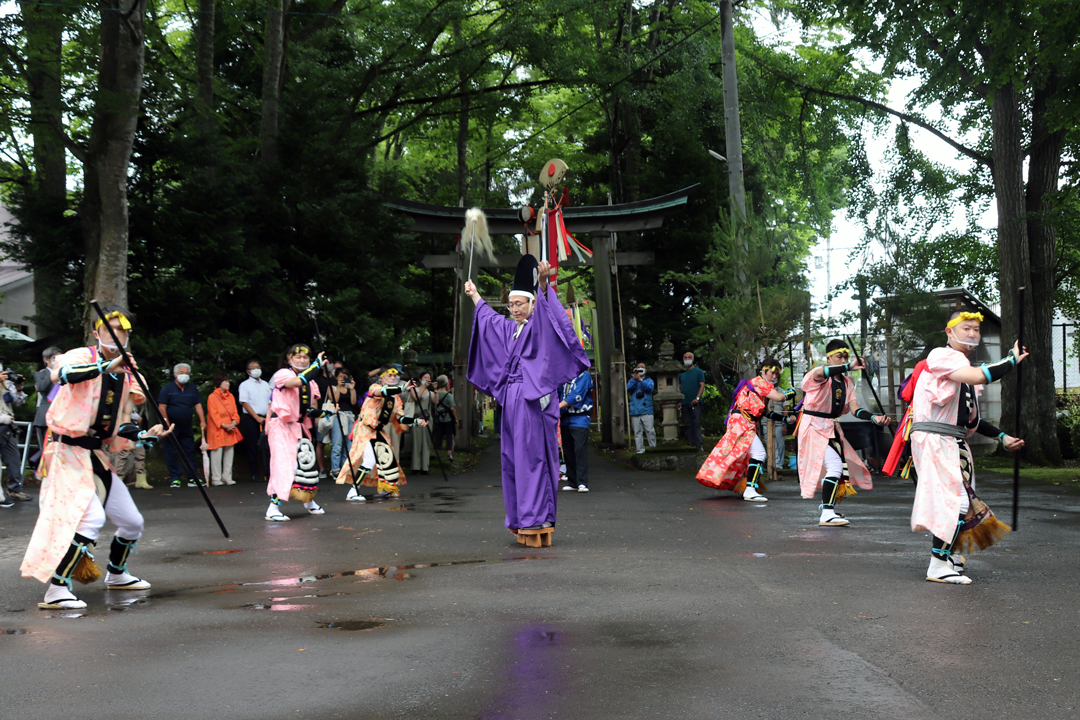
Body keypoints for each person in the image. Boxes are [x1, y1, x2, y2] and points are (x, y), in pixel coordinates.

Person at [20, 305, 174, 609]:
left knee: (132, 522)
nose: (120, 335)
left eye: (125, 330)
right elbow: (62, 375)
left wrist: (146, 435)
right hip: (65, 451)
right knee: (91, 518)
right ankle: (56, 589)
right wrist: (107, 366)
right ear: (97, 332)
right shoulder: (80, 356)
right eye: (113, 330)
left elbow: (123, 424)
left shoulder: (128, 372)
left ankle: (116, 574)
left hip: (94, 454)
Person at [465, 255, 590, 535]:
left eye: (519, 304)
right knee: (512, 458)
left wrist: (543, 284)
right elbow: (488, 319)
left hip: (533, 398)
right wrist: (474, 295)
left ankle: (539, 516)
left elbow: (553, 317)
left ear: (532, 304)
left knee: (533, 458)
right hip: (511, 400)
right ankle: (521, 516)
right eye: (511, 304)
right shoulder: (512, 329)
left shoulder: (538, 324)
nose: (514, 309)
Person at [910, 311, 1026, 584]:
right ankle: (937, 565)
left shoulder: (962, 368)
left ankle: (948, 558)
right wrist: (1011, 360)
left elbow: (970, 418)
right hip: (935, 441)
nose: (973, 333)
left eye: (976, 329)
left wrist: (1001, 437)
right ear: (950, 332)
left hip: (955, 442)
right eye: (966, 328)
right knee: (956, 502)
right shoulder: (941, 355)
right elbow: (979, 376)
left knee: (962, 503)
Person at [797, 339, 890, 527]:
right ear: (829, 359)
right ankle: (827, 513)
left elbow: (855, 409)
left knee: (838, 467)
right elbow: (818, 372)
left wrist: (874, 418)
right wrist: (848, 365)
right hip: (813, 427)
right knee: (834, 466)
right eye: (839, 357)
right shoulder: (820, 376)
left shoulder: (847, 383)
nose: (843, 359)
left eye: (846, 356)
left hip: (831, 428)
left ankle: (828, 509)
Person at [696, 358, 794, 502]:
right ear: (763, 371)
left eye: (776, 374)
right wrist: (792, 392)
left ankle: (749, 488)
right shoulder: (759, 382)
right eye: (772, 373)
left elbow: (765, 413)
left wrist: (784, 419)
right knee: (759, 453)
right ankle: (750, 489)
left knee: (749, 455)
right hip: (742, 421)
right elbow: (779, 397)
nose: (774, 376)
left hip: (744, 422)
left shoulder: (761, 388)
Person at [336, 365, 428, 501]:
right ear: (382, 378)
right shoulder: (375, 388)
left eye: (395, 375)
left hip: (379, 431)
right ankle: (353, 491)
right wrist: (403, 388)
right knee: (369, 460)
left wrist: (416, 421)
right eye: (389, 375)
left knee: (387, 459)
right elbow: (383, 392)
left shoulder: (396, 398)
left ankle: (386, 488)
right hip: (365, 429)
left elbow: (400, 418)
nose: (393, 377)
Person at [264, 344, 326, 520]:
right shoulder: (282, 374)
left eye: (305, 357)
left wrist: (326, 412)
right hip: (281, 426)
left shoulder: (312, 382)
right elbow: (298, 382)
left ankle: (308, 501)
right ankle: (273, 508)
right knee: (284, 466)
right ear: (288, 359)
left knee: (306, 466)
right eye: (298, 357)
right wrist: (316, 365)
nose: (302, 360)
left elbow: (311, 410)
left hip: (300, 427)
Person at [157, 362, 206, 488]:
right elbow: (162, 407)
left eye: (187, 373)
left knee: (189, 451)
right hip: (171, 426)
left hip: (186, 425)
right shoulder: (167, 389)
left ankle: (192, 477)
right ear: (175, 374)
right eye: (181, 373)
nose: (184, 375)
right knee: (171, 451)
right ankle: (175, 478)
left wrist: (202, 420)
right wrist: (166, 423)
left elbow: (198, 405)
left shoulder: (192, 388)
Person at [0, 357, 29, 504]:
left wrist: (18, 388)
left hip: (7, 427)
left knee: (13, 458)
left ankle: (14, 489)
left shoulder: (6, 382)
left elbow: (19, 403)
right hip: (2, 421)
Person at [559, 369, 593, 492]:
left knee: (580, 450)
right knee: (568, 451)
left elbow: (576, 396)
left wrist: (556, 407)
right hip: (565, 418)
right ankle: (572, 481)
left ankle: (582, 482)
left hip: (580, 418)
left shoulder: (584, 375)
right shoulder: (563, 374)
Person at [238, 359, 272, 483]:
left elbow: (270, 401)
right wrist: (256, 417)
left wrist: (267, 416)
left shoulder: (265, 384)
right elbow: (244, 403)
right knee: (252, 446)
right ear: (248, 371)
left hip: (265, 417)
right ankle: (254, 473)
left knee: (267, 446)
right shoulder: (245, 385)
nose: (256, 369)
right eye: (253, 367)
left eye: (258, 367)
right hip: (251, 418)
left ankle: (268, 472)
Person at [206, 370, 240, 486]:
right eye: (226, 381)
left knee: (229, 453)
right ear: (219, 383)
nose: (228, 383)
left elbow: (235, 412)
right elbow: (213, 414)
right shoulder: (212, 397)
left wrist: (234, 423)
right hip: (218, 429)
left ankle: (227, 477)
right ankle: (216, 478)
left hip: (230, 428)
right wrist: (224, 425)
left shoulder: (231, 396)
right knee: (217, 454)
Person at [32, 346, 63, 473]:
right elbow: (41, 387)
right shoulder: (41, 374)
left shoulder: (65, 372)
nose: (57, 360)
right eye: (54, 358)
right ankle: (44, 473)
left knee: (61, 448)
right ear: (46, 360)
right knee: (46, 448)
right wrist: (54, 374)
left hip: (62, 415)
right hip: (45, 416)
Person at [325, 367, 358, 478]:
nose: (343, 379)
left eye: (345, 376)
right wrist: (339, 386)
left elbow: (353, 402)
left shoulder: (350, 388)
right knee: (337, 444)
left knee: (349, 444)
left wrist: (352, 388)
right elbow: (335, 400)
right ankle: (335, 469)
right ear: (336, 377)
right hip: (337, 416)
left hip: (349, 416)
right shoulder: (332, 387)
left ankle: (346, 468)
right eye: (340, 377)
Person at [110, 408, 148, 489]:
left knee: (140, 454)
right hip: (123, 431)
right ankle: (119, 482)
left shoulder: (132, 405)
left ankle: (141, 480)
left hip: (135, 431)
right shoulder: (121, 401)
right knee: (122, 456)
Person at [405, 370, 433, 475]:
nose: (427, 380)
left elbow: (436, 401)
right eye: (425, 377)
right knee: (416, 443)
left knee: (426, 443)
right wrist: (422, 386)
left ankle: (425, 467)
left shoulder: (430, 392)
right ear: (420, 379)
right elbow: (417, 398)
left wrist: (435, 389)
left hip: (427, 419)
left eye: (429, 378)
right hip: (416, 419)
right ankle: (415, 467)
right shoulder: (414, 389)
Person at [627, 362, 656, 454]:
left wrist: (640, 380)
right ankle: (640, 450)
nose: (640, 368)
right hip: (635, 410)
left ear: (646, 370)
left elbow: (649, 388)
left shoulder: (649, 380)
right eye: (638, 367)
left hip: (646, 409)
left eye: (642, 367)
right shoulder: (632, 380)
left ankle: (653, 448)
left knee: (650, 430)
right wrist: (635, 379)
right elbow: (629, 388)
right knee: (637, 432)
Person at [679, 351, 706, 451]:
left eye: (689, 357)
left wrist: (697, 398)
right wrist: (679, 400)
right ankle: (691, 444)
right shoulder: (681, 373)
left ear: (693, 359)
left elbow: (702, 385)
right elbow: (679, 387)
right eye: (685, 357)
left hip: (695, 402)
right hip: (684, 402)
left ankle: (699, 445)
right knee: (688, 424)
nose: (687, 359)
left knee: (697, 423)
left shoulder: (698, 372)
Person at [432, 375, 458, 463]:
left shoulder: (435, 393)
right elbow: (452, 409)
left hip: (438, 418)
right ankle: (449, 454)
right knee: (449, 436)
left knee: (438, 435)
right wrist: (456, 419)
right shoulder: (449, 395)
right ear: (447, 383)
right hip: (447, 418)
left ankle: (436, 451)